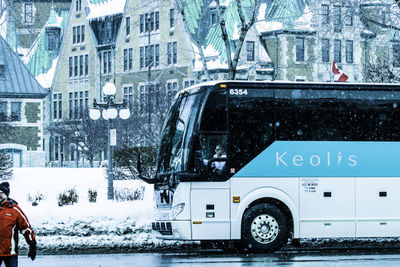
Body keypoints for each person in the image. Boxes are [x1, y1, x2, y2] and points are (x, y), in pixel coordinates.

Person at [0, 182, 37, 267]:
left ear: (6, 194)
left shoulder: (15, 210)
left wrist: (32, 244)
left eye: (1, 192)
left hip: (10, 253)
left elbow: (26, 228)